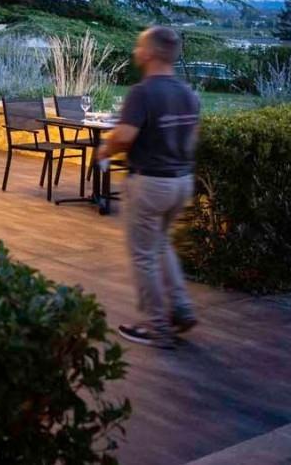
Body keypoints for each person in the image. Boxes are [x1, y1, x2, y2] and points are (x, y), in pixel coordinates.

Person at [95, 26, 201, 349]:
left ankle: (156, 326)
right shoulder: (187, 93)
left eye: (139, 47)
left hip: (150, 182)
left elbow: (125, 136)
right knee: (161, 244)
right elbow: (192, 138)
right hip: (181, 181)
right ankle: (181, 308)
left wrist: (104, 149)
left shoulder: (143, 93)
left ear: (151, 53)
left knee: (143, 255)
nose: (135, 52)